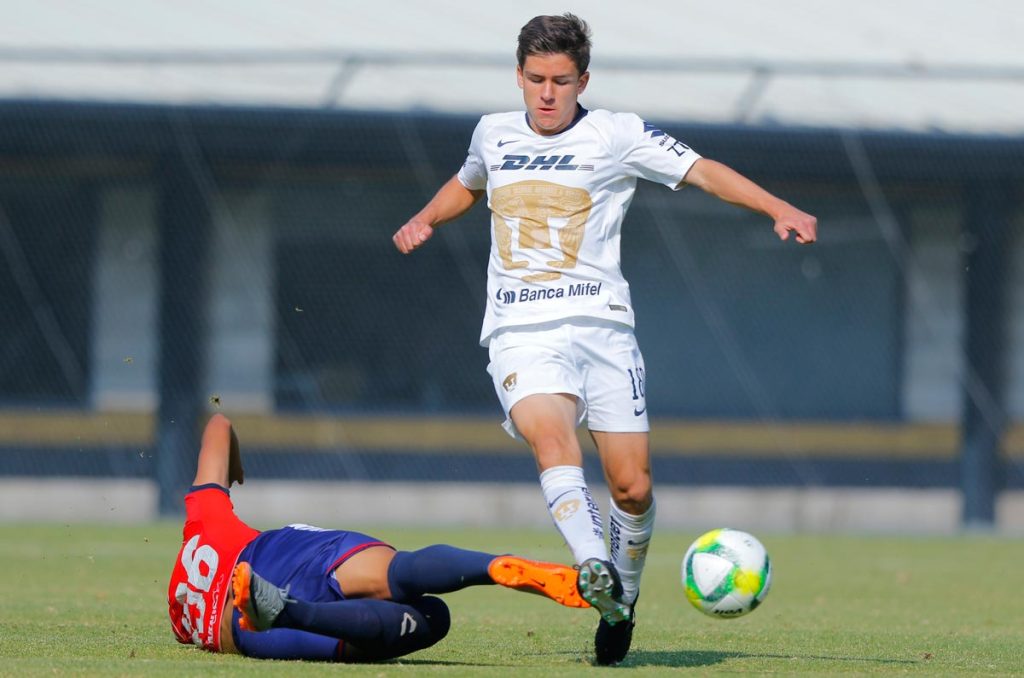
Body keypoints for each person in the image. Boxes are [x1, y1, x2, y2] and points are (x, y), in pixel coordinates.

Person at [392, 12, 817, 666]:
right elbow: (469, 183)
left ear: (582, 79)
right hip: (519, 330)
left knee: (632, 489)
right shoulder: (493, 133)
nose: (546, 93)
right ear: (519, 76)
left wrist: (778, 208)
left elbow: (702, 170)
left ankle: (622, 602)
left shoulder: (617, 134)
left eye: (561, 80)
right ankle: (594, 565)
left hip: (603, 333)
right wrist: (426, 215)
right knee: (551, 436)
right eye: (535, 79)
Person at [167, 413, 589, 662]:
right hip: (290, 551)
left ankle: (290, 611)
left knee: (427, 621)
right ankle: (490, 566)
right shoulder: (204, 521)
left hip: (240, 626)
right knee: (400, 572)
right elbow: (219, 423)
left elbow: (188, 631)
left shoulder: (185, 623)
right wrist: (234, 465)